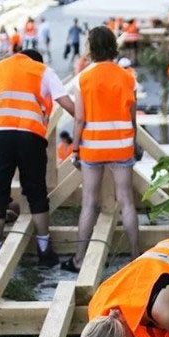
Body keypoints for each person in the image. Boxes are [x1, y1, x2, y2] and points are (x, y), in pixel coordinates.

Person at [0, 49, 75, 266]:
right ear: (37, 60)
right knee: (36, 191)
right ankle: (44, 249)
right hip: (30, 136)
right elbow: (66, 103)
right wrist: (88, 120)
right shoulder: (43, 71)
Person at [62, 26, 139, 272]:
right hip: (121, 145)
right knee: (126, 201)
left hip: (92, 147)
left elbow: (79, 119)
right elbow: (132, 116)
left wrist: (75, 150)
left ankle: (79, 259)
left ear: (91, 47)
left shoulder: (84, 78)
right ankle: (136, 256)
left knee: (89, 203)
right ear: (113, 47)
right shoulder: (127, 76)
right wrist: (133, 141)